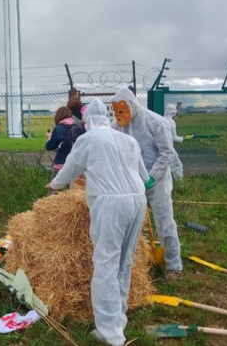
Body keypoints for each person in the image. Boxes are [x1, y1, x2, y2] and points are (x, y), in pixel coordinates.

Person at [46, 98, 152, 346]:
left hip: (111, 204)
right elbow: (144, 176)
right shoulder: (127, 139)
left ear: (87, 121)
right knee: (125, 261)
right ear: (107, 117)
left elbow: (70, 170)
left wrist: (56, 184)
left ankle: (110, 332)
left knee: (105, 263)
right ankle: (119, 316)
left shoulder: (88, 139)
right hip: (137, 200)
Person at [110, 87, 183, 281]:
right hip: (131, 182)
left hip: (157, 181)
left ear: (132, 105)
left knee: (164, 220)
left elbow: (167, 153)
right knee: (130, 223)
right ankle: (132, 264)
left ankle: (174, 265)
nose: (119, 115)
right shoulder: (118, 125)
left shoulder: (156, 122)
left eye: (122, 110)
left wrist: (152, 177)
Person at [45, 106, 83, 195]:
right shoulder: (78, 128)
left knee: (53, 191)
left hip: (61, 164)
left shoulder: (58, 129)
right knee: (73, 193)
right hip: (75, 165)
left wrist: (49, 137)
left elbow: (49, 146)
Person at [163, 104, 193, 180]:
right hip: (168, 148)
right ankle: (180, 185)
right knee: (177, 166)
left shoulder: (161, 119)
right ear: (173, 113)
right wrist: (183, 138)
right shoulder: (171, 122)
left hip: (158, 147)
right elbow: (174, 138)